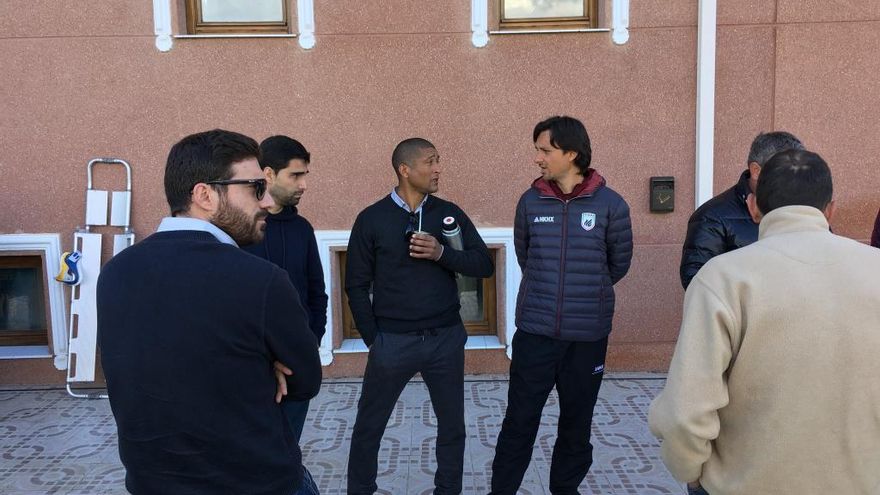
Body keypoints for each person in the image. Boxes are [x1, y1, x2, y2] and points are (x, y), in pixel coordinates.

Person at [97, 129, 322, 494]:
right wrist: (266, 367)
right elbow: (305, 380)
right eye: (254, 188)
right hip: (255, 482)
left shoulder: (116, 272)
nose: (265, 202)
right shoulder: (261, 280)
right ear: (204, 195)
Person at [649, 149, 880, 495]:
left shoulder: (723, 278)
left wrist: (690, 470)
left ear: (754, 207)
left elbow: (686, 412)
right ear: (830, 208)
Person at [490, 116, 633, 495]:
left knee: (576, 424)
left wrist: (581, 297)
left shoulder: (611, 205)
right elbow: (526, 256)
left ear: (571, 153)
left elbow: (617, 265)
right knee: (519, 421)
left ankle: (564, 489)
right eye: (537, 149)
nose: (537, 157)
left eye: (545, 150)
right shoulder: (530, 201)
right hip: (536, 334)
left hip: (586, 339)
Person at [345, 137, 494, 494]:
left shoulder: (449, 213)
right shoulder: (371, 219)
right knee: (369, 427)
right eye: (430, 161)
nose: (438, 168)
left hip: (445, 338)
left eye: (438, 160)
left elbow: (483, 265)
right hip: (392, 343)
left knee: (452, 428)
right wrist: (373, 340)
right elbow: (355, 285)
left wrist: (442, 252)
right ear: (405, 169)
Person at [244, 135, 328, 443]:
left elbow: (317, 295)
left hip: (295, 368)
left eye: (305, 175)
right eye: (295, 175)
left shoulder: (302, 229)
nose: (304, 184)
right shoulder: (242, 228)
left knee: (287, 452)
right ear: (268, 174)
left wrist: (308, 345)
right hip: (250, 368)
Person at [679, 131, 804, 288]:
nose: (794, 182)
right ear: (756, 170)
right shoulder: (712, 217)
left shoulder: (807, 211)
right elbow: (698, 285)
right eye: (785, 173)